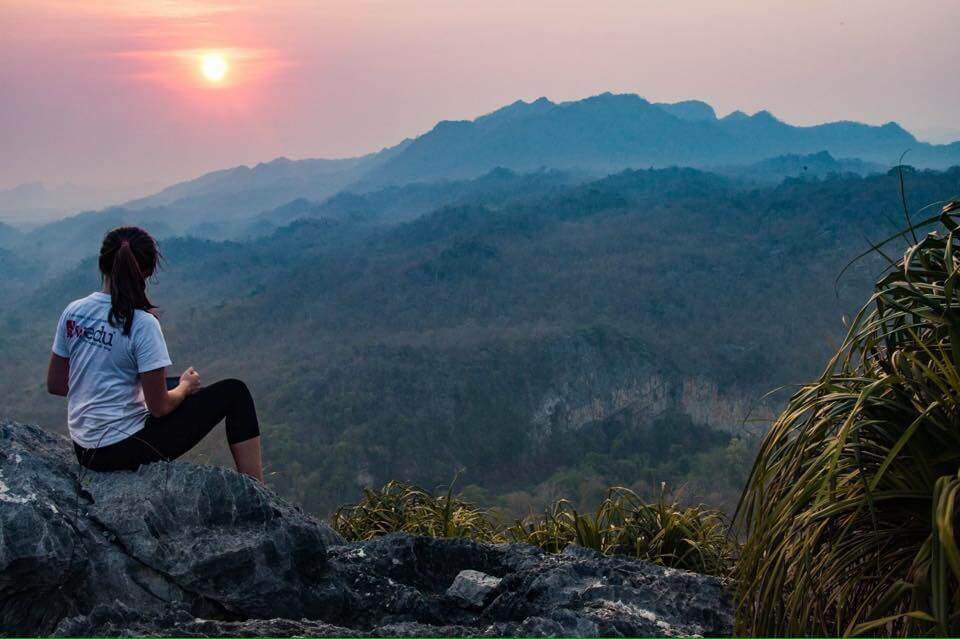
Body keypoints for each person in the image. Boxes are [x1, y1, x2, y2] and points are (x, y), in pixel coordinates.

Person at [46, 226, 264, 481]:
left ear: (102, 264)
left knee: (169, 383)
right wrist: (185, 387)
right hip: (119, 450)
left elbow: (56, 384)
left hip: (84, 449)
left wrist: (100, 389)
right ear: (148, 271)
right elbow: (159, 408)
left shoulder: (74, 311)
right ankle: (258, 491)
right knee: (234, 393)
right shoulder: (142, 323)